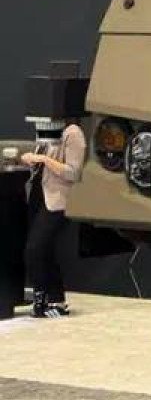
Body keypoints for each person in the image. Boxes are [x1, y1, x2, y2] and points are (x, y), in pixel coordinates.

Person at [18, 111, 86, 318]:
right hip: (39, 194)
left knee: (36, 248)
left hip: (58, 200)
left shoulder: (73, 133)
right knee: (43, 249)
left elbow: (73, 172)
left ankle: (42, 298)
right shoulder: (48, 130)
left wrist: (44, 160)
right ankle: (55, 299)